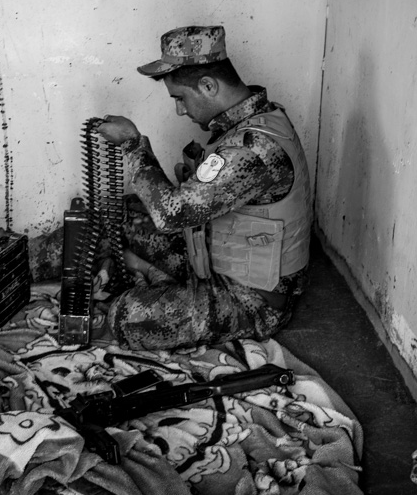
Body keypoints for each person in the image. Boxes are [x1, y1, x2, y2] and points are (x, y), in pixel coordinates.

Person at [93, 24, 313, 350]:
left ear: (208, 86)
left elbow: (172, 213)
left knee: (125, 315)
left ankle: (151, 276)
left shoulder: (253, 146)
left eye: (180, 98)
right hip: (215, 259)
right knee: (124, 215)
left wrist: (133, 145)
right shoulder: (251, 120)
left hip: (252, 297)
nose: (180, 109)